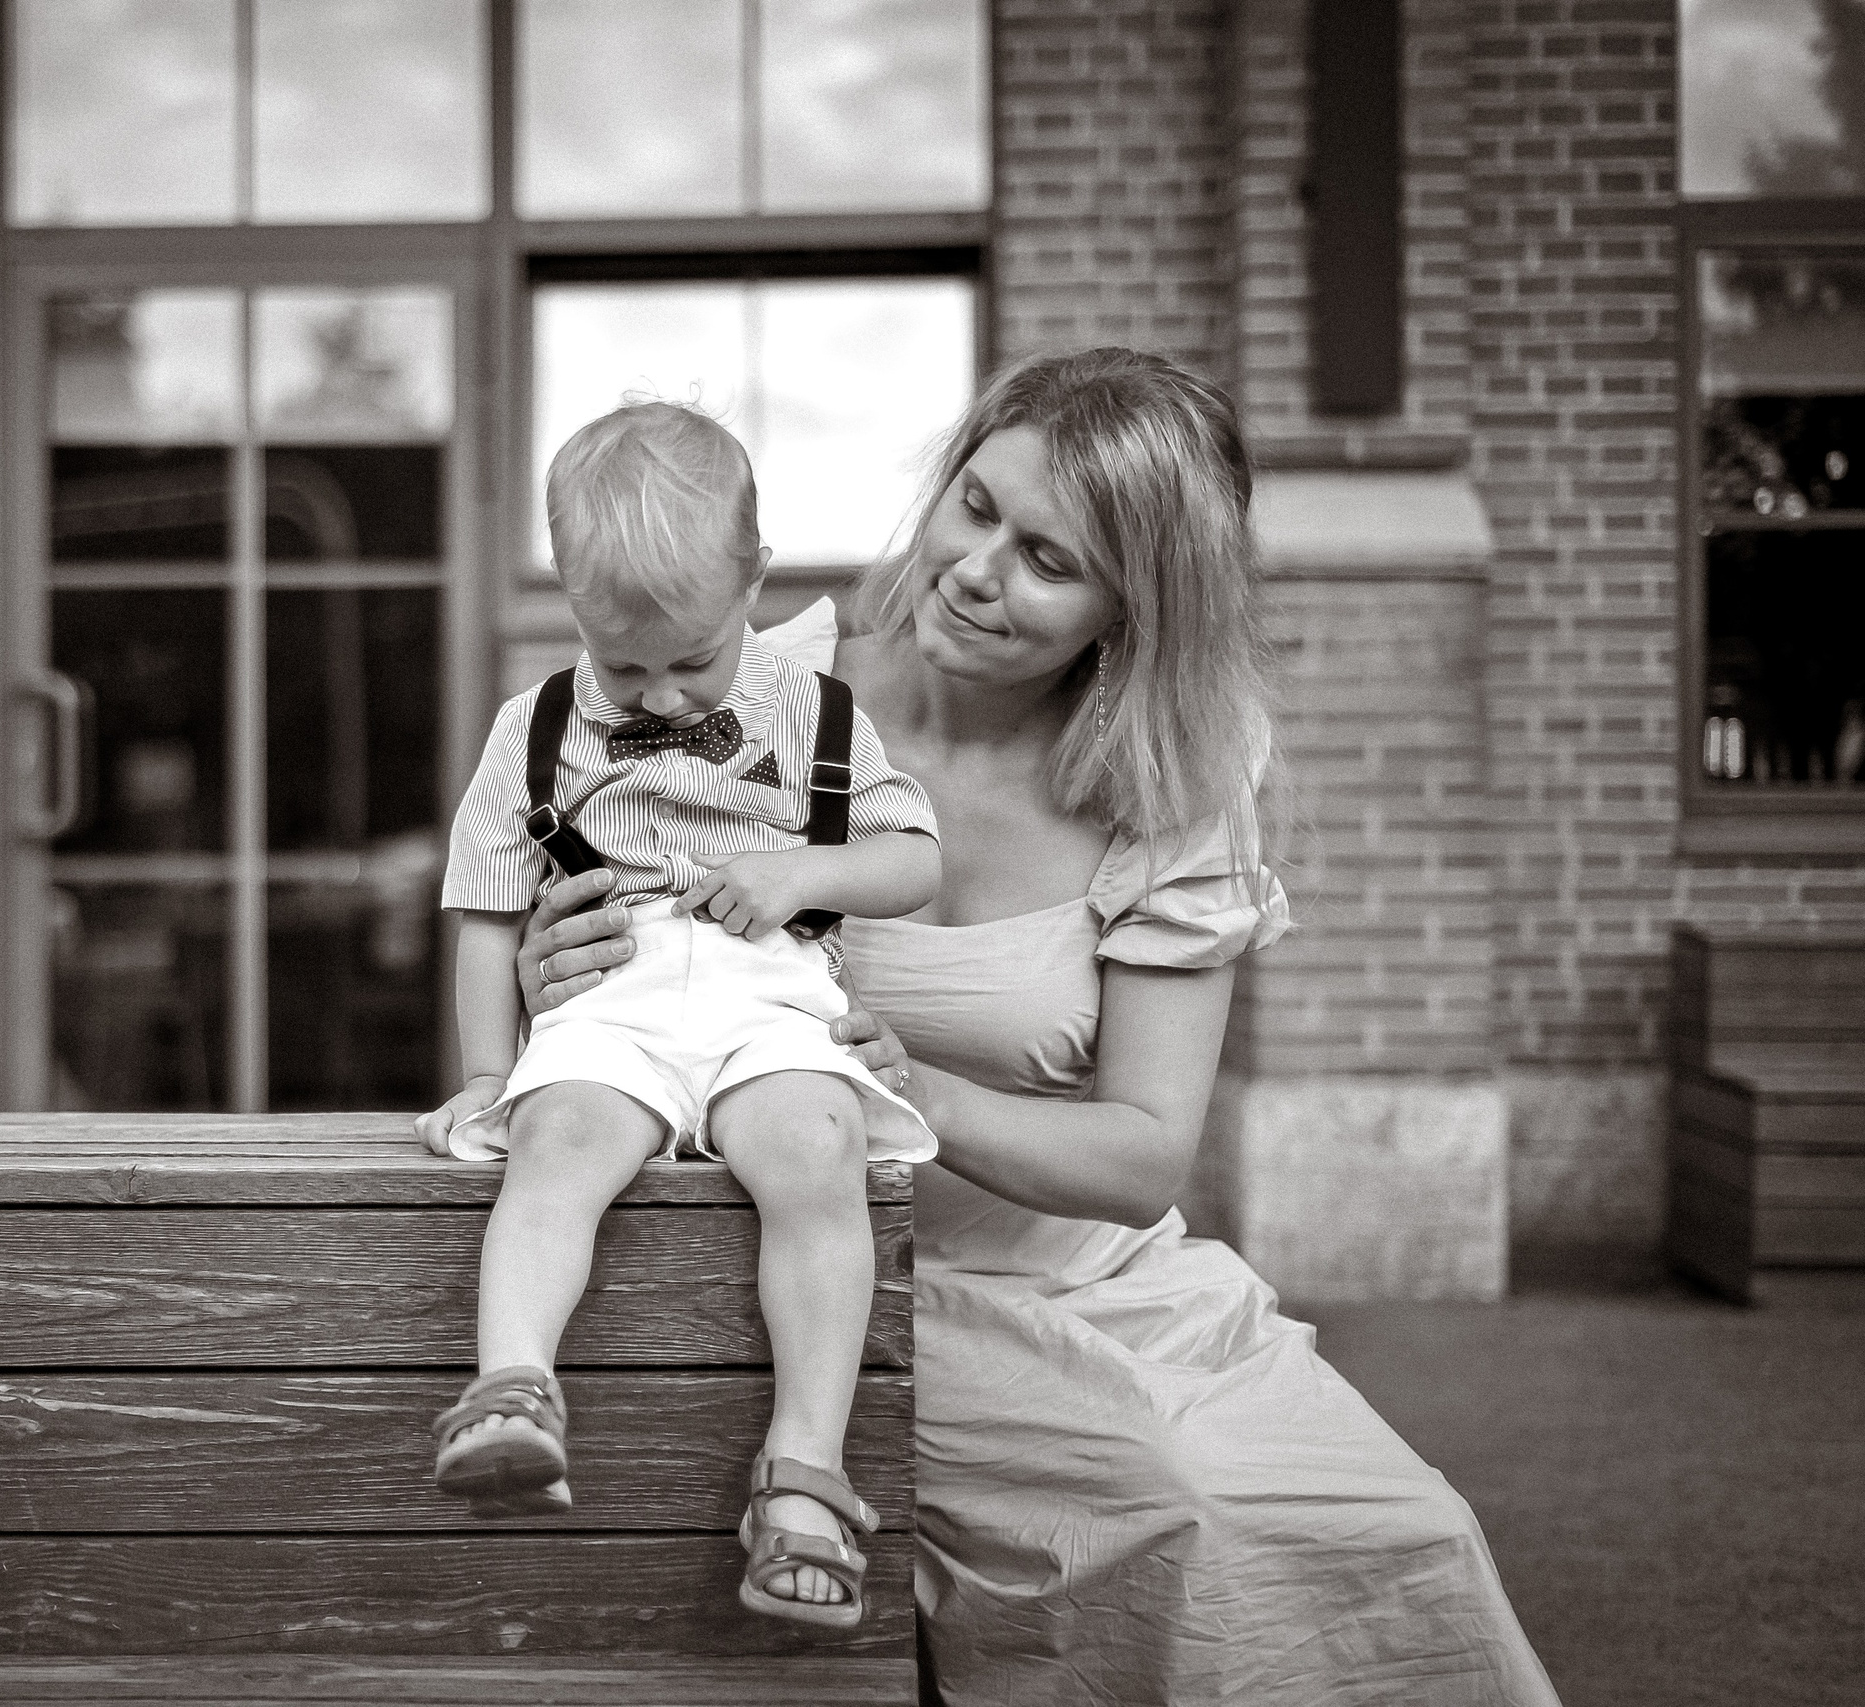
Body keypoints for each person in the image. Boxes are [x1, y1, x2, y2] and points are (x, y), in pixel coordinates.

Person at [477, 352, 1564, 1704]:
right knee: (1178, 1506)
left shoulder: (1170, 790)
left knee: (1403, 1534)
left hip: (1089, 1285)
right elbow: (577, 983)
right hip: (819, 1273)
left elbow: (1144, 1154)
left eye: (1048, 557)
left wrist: (912, 1082)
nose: (976, 567)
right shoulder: (758, 688)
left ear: (1134, 608)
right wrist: (554, 971)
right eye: (974, 504)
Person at [416, 401, 943, 1630]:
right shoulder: (534, 728)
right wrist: (491, 1071)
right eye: (623, 666)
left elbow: (912, 860)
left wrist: (805, 873)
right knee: (556, 1146)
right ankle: (512, 1391)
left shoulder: (818, 713)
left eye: (690, 665)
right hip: (613, 996)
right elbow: (487, 913)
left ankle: (805, 1474)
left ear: (754, 579)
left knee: (815, 1155)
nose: (654, 699)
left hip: (770, 989)